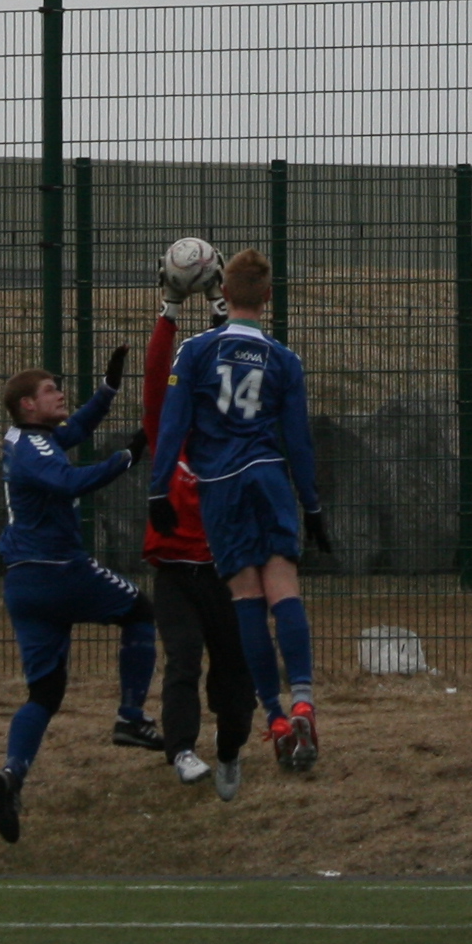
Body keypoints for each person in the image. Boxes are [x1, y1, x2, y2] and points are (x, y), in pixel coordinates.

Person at [148, 247, 326, 774]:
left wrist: (159, 489)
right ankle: (303, 701)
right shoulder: (285, 359)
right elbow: (299, 441)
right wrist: (312, 504)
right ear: (268, 297)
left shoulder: (196, 352)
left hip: (221, 486)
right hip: (269, 478)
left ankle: (274, 717)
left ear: (222, 292)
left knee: (247, 599)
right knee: (284, 589)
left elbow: (173, 422)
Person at [0, 351, 164, 844]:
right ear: (27, 404)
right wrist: (128, 456)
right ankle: (131, 717)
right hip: (59, 571)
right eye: (50, 390)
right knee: (140, 610)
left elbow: (74, 432)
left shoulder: (27, 438)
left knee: (44, 693)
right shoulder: (33, 450)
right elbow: (69, 482)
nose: (60, 393)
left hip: (23, 584)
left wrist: (107, 391)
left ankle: (12, 774)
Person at [140, 240, 251, 801]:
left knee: (235, 673)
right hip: (176, 574)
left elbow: (231, 360)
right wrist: (170, 309)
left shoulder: (230, 441)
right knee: (182, 660)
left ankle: (230, 750)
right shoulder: (167, 437)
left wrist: (219, 306)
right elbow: (156, 376)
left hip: (226, 572)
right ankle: (181, 748)